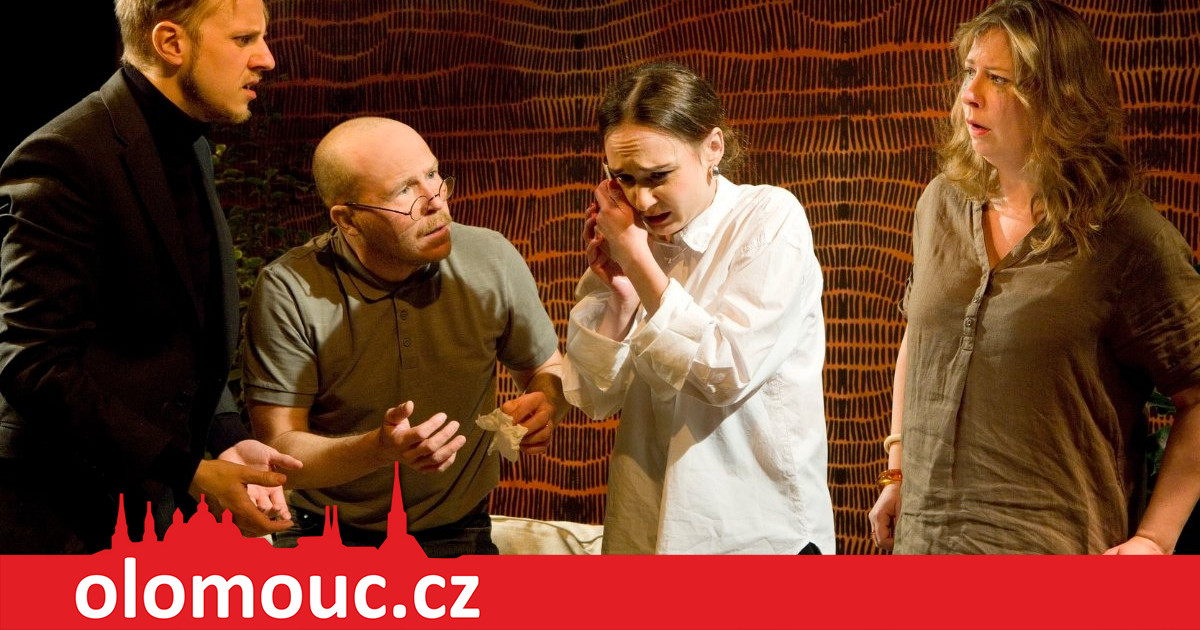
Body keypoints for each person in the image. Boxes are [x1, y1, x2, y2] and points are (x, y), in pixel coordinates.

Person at [868, 0, 1200, 554]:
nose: (969, 93)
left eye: (998, 79)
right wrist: (896, 471)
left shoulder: (1124, 234)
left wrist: (1155, 538)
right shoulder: (941, 204)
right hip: (924, 545)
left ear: (1058, 98)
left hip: (1052, 552)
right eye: (969, 71)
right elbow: (920, 339)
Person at [0, 0, 300, 554]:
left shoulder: (193, 147)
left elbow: (181, 340)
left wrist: (226, 439)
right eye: (244, 39)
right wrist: (187, 469)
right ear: (170, 43)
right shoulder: (64, 155)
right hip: (55, 520)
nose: (267, 59)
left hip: (144, 514)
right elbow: (33, 365)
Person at [242, 116, 567, 557]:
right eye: (403, 191)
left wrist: (546, 404)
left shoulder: (491, 257)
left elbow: (546, 368)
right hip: (324, 533)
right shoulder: (289, 289)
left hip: (458, 529)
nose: (435, 202)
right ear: (348, 219)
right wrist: (379, 449)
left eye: (433, 174)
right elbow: (280, 451)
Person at [562, 61, 836, 554]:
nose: (643, 199)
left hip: (757, 537)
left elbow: (724, 372)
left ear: (713, 147)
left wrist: (639, 261)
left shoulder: (768, 217)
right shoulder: (632, 239)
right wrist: (622, 294)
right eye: (623, 178)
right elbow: (592, 395)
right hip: (646, 528)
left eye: (659, 175)